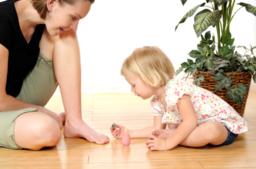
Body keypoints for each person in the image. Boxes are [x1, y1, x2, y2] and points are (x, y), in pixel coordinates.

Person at [0, 0, 109, 150]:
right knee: (46, 130)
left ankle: (74, 122)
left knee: (66, 35)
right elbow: (1, 102)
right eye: (73, 17)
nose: (74, 25)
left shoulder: (42, 21)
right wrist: (43, 112)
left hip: (15, 97)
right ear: (51, 3)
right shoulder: (2, 21)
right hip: (2, 103)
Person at [110, 46, 248, 151]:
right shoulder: (157, 102)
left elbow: (190, 121)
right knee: (171, 132)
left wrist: (167, 142)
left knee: (210, 130)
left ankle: (174, 137)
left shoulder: (177, 89)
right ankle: (175, 135)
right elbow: (156, 129)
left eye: (133, 85)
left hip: (223, 126)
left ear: (149, 77)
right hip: (196, 128)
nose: (132, 90)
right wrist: (130, 132)